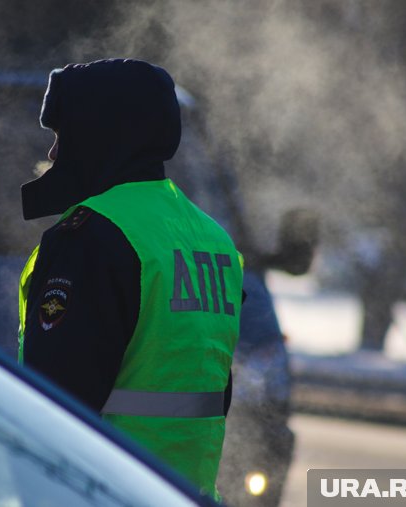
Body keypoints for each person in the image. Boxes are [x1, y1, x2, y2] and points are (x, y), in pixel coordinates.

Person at [17, 58, 244, 499]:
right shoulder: (212, 239)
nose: (52, 154)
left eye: (63, 136)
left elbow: (56, 403)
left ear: (100, 136)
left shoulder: (90, 237)